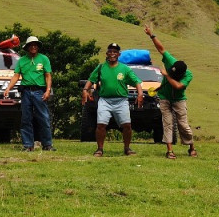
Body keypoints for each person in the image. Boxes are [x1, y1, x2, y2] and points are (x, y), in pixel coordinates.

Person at [81, 42, 143, 156]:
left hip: (121, 101)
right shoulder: (101, 67)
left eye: (115, 52)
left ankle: (127, 148)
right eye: (110, 51)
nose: (112, 54)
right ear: (107, 54)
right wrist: (85, 90)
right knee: (101, 125)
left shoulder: (125, 69)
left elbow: (136, 82)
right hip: (105, 100)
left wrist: (140, 94)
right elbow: (91, 80)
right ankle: (100, 149)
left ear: (119, 54)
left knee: (127, 125)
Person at [144, 24, 197, 159]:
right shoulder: (171, 61)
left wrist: (167, 75)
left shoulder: (188, 75)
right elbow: (161, 48)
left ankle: (191, 147)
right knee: (167, 123)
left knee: (183, 125)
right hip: (165, 97)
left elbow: (178, 86)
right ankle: (170, 151)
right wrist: (151, 35)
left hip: (179, 99)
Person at [5, 35, 54, 151]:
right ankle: (28, 145)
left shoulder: (44, 59)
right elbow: (16, 76)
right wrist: (8, 88)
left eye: (35, 45)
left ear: (38, 47)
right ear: (27, 47)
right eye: (31, 45)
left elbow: (48, 76)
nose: (33, 47)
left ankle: (47, 144)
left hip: (40, 91)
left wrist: (48, 91)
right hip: (26, 92)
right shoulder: (21, 60)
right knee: (26, 119)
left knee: (44, 117)